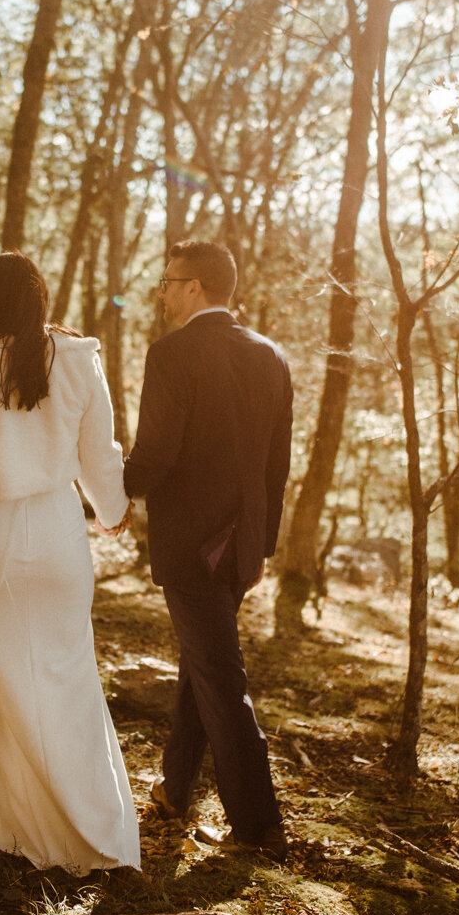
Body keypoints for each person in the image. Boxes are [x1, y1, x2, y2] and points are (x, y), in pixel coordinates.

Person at [0, 252, 140, 874]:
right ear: (41, 300)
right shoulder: (77, 359)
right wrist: (112, 508)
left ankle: (15, 817)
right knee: (68, 673)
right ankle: (88, 823)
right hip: (57, 531)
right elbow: (98, 455)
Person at [123, 240, 293, 858]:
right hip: (243, 545)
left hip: (194, 547)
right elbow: (279, 465)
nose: (163, 292)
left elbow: (157, 455)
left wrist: (111, 496)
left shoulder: (171, 355)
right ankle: (175, 791)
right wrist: (262, 542)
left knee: (219, 675)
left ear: (195, 287)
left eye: (168, 281)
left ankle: (258, 826)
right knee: (202, 664)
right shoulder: (271, 356)